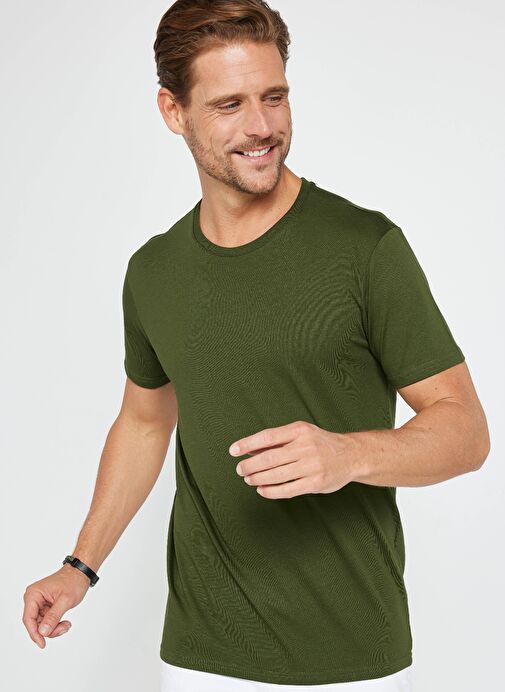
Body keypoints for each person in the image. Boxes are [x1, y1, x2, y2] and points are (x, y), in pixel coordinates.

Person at [22, 1, 491, 690]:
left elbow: (466, 431)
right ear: (173, 111)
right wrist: (79, 566)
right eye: (229, 105)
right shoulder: (153, 272)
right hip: (201, 659)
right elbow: (145, 422)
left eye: (274, 97)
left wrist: (347, 454)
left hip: (350, 661)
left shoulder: (363, 248)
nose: (262, 126)